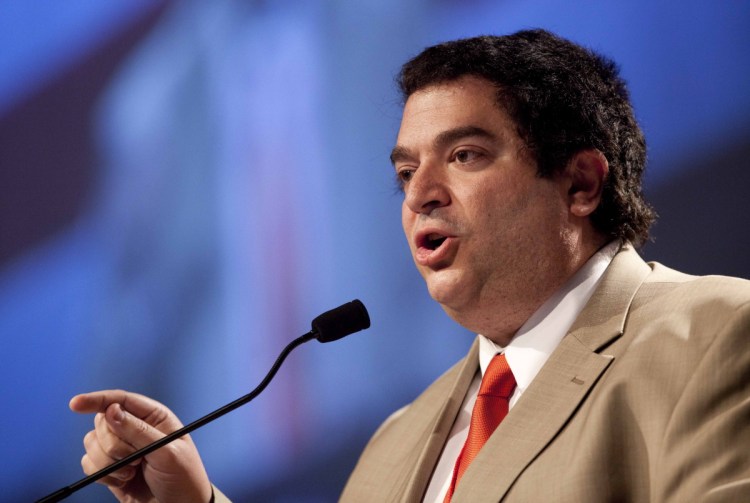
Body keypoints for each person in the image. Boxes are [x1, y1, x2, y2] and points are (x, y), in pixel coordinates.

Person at [69, 29, 750, 502]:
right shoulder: (399, 440)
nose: (419, 193)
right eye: (405, 170)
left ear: (580, 184)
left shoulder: (718, 336)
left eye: (464, 155)